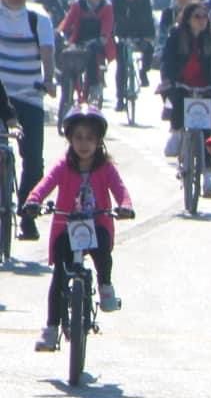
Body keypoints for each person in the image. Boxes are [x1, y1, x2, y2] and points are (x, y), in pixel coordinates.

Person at [24, 105, 134, 351]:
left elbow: (120, 190)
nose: (84, 144)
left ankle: (105, 285)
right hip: (67, 226)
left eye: (90, 138)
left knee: (103, 250)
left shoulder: (105, 167)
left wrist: (125, 206)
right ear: (70, 139)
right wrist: (33, 200)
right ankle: (51, 329)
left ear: (99, 141)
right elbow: (45, 183)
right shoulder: (63, 165)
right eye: (79, 138)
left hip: (98, 223)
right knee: (59, 277)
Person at [157, 0, 211, 195]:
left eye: (205, 17)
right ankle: (177, 132)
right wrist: (167, 80)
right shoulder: (176, 34)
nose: (201, 20)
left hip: (206, 85)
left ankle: (207, 178)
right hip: (181, 83)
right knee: (178, 104)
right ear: (188, 18)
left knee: (207, 131)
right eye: (197, 16)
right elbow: (168, 59)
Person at [56, 0, 115, 103]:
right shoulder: (78, 4)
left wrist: (102, 38)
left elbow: (107, 26)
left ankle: (94, 86)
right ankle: (68, 87)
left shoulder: (107, 7)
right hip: (78, 39)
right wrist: (60, 34)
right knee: (69, 58)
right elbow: (68, 21)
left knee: (93, 59)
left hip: (98, 41)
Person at [110, 0, 157, 105]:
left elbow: (148, 19)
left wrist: (149, 37)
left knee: (149, 49)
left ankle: (143, 72)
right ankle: (120, 98)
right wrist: (112, 35)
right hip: (122, 34)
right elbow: (113, 18)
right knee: (122, 66)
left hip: (140, 33)